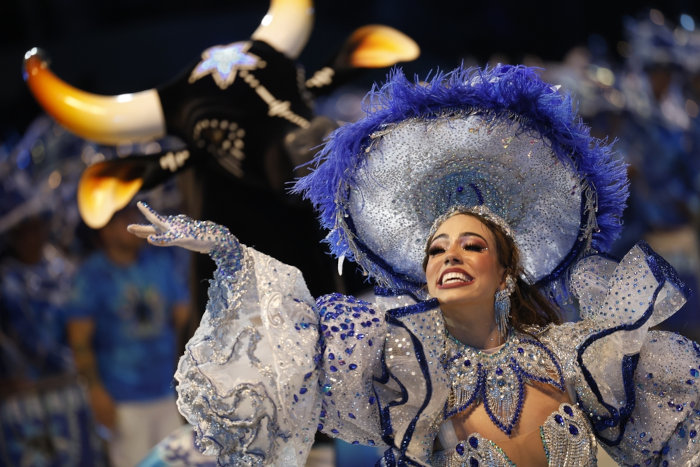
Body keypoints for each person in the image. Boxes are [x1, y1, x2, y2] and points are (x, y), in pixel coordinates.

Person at [128, 65, 698, 466]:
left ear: (506, 272)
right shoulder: (392, 365)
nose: (449, 254)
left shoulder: (582, 357)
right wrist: (228, 252)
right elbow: (283, 343)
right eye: (435, 248)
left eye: (472, 245)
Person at [67, 205, 190, 467]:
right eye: (124, 218)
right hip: (123, 400)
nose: (134, 223)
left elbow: (181, 313)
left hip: (165, 392)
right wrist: (96, 392)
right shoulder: (91, 275)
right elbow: (79, 340)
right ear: (105, 229)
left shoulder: (157, 261)